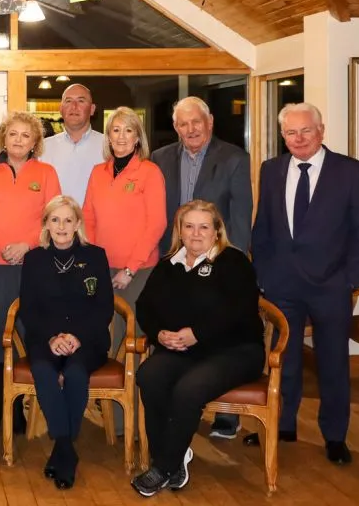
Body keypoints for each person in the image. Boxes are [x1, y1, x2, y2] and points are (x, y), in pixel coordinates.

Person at [246, 103, 359, 465]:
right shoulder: (271, 169)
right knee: (283, 360)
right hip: (282, 285)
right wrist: (264, 275)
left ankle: (335, 436)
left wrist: (350, 278)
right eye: (291, 132)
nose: (299, 138)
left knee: (333, 363)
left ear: (321, 131)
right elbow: (263, 226)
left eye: (306, 130)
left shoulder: (351, 172)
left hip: (331, 285)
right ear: (283, 135)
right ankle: (283, 425)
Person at [131, 201, 265, 497]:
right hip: (184, 350)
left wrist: (197, 334)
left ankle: (163, 467)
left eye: (204, 226)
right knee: (149, 375)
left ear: (217, 231)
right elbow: (145, 307)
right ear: (179, 231)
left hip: (235, 350)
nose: (195, 233)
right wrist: (159, 334)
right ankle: (174, 457)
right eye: (189, 226)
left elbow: (240, 312)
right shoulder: (169, 264)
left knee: (189, 388)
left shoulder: (234, 262)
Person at [151, 96, 253, 439]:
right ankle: (177, 406)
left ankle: (226, 413)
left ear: (210, 122)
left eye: (196, 121)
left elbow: (240, 218)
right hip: (176, 259)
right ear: (175, 127)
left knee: (219, 332)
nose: (190, 129)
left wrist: (229, 264)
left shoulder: (234, 158)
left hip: (217, 258)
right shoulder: (160, 158)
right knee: (178, 332)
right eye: (183, 123)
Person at [0, 111, 61, 431]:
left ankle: (21, 404)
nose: (19, 140)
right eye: (13, 134)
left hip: (35, 266)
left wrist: (26, 245)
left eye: (26, 135)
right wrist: (5, 246)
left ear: (35, 142)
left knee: (30, 332)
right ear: (3, 138)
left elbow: (55, 218)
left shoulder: (47, 173)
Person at [18, 195, 112, 490]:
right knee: (44, 372)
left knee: (75, 373)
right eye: (55, 220)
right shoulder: (34, 259)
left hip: (88, 341)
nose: (61, 226)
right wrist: (52, 337)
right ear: (46, 224)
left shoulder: (96, 256)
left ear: (77, 224)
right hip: (45, 339)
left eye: (68, 220)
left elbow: (104, 308)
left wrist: (76, 337)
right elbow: (28, 309)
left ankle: (61, 450)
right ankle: (66, 449)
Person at [83, 107, 166, 433]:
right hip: (103, 269)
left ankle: (133, 422)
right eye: (115, 130)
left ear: (137, 137)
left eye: (128, 130)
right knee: (104, 339)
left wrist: (130, 269)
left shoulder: (149, 172)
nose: (121, 137)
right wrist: (93, 262)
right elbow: (88, 218)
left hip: (138, 271)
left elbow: (156, 224)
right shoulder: (97, 172)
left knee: (130, 343)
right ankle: (109, 417)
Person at [41, 84, 106, 207]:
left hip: (96, 219)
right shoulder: (43, 148)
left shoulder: (108, 146)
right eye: (68, 101)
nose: (74, 106)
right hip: (54, 219)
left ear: (92, 109)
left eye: (81, 101)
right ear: (61, 109)